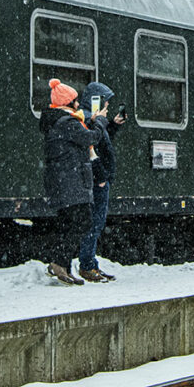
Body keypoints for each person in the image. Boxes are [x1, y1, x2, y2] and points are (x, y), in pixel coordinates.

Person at [39, 78, 99, 285]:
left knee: (68, 224)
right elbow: (91, 138)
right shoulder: (68, 123)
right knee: (83, 221)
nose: (78, 104)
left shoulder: (58, 122)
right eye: (76, 100)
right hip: (71, 182)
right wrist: (100, 122)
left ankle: (62, 264)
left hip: (63, 181)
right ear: (69, 103)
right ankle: (59, 262)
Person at [78, 81, 126, 282]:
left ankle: (90, 264)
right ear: (95, 101)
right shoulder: (90, 120)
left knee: (95, 224)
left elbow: (100, 144)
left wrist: (112, 126)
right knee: (94, 224)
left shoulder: (92, 119)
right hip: (98, 181)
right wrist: (101, 179)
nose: (107, 105)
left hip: (100, 179)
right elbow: (91, 151)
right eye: (104, 102)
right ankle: (87, 266)